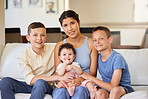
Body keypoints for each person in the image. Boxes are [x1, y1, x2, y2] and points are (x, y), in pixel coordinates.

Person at [0, 22, 70, 99]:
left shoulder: (54, 49)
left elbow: (68, 49)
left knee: (40, 82)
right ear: (28, 38)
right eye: (35, 35)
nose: (39, 38)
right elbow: (30, 79)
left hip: (46, 86)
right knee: (5, 81)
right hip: (30, 85)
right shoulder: (23, 55)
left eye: (42, 35)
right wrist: (57, 77)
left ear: (45, 37)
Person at [52, 10, 98, 99]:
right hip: (65, 83)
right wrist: (62, 82)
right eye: (65, 25)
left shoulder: (91, 43)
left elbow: (93, 73)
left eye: (72, 23)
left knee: (80, 91)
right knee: (60, 92)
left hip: (83, 84)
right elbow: (57, 73)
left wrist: (79, 80)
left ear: (78, 22)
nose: (70, 28)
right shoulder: (59, 46)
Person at [80, 26, 135, 99]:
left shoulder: (117, 58)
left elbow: (113, 86)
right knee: (99, 93)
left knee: (115, 90)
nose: (98, 42)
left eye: (101, 38)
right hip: (106, 88)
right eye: (95, 40)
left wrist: (91, 78)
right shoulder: (98, 57)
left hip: (121, 88)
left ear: (110, 39)